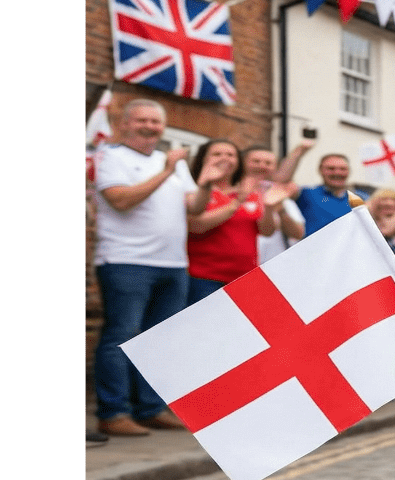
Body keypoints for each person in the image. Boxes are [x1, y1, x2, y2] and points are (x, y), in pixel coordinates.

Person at [90, 98, 192, 436]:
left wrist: (207, 182)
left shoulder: (175, 163)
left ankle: (150, 408)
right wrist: (166, 170)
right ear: (125, 124)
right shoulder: (110, 157)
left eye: (155, 122)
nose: (150, 127)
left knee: (159, 340)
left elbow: (193, 207)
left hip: (173, 262)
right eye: (142, 121)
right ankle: (113, 412)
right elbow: (120, 200)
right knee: (122, 336)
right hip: (126, 261)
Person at [185, 139, 293, 303]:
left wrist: (270, 207)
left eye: (231, 155)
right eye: (217, 154)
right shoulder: (194, 189)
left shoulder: (251, 191)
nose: (225, 158)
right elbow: (196, 226)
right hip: (204, 278)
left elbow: (266, 231)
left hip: (245, 277)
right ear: (203, 158)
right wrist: (238, 201)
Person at [240, 144, 308, 265]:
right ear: (241, 163)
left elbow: (298, 233)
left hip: (273, 269)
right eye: (256, 161)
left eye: (268, 163)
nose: (262, 166)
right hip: (235, 268)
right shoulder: (229, 194)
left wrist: (280, 209)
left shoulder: (281, 196)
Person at [291, 148, 364, 230]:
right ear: (320, 170)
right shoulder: (306, 194)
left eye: (342, 169)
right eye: (331, 168)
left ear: (349, 171)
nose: (337, 173)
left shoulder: (361, 198)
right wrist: (299, 151)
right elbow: (282, 184)